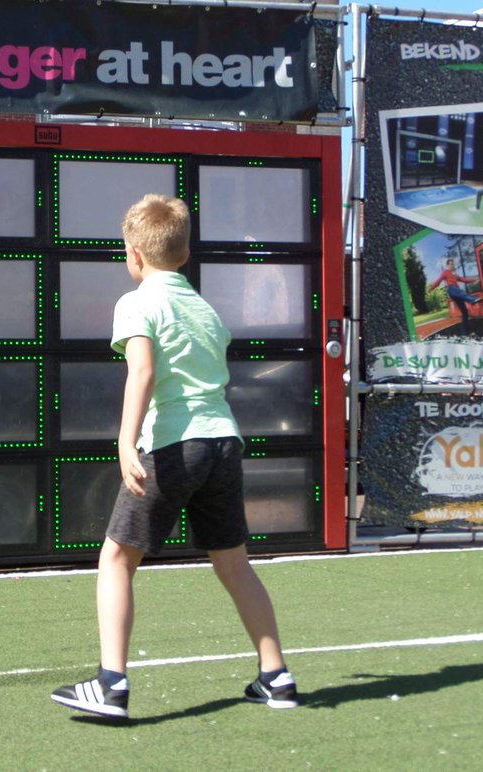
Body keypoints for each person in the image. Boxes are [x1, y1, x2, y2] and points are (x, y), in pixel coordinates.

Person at [51, 194, 296, 720]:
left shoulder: (136, 301)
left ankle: (111, 686)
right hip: (223, 443)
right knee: (235, 565)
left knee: (116, 560)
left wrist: (125, 442)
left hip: (173, 445)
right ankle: (276, 677)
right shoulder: (206, 309)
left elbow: (141, 371)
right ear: (185, 255)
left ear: (134, 254)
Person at [428, 257, 483, 335]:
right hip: (452, 290)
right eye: (451, 264)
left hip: (457, 294)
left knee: (464, 311)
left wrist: (474, 279)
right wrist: (431, 287)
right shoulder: (445, 272)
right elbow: (439, 280)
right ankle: (472, 300)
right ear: (447, 265)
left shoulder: (455, 274)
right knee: (460, 292)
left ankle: (464, 332)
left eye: (453, 264)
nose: (452, 266)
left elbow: (464, 280)